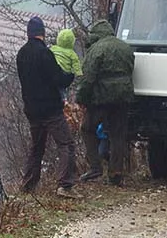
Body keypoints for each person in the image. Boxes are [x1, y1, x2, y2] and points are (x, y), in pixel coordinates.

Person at [16, 16, 82, 199]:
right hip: (50, 109)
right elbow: (58, 78)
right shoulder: (45, 54)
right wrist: (70, 76)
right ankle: (65, 185)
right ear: (42, 33)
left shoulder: (21, 54)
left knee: (36, 148)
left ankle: (28, 186)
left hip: (31, 110)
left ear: (28, 33)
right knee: (66, 144)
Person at [77, 20, 134, 186]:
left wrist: (81, 98)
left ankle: (95, 167)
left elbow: (88, 78)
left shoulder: (96, 49)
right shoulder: (125, 47)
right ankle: (116, 173)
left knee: (87, 129)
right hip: (123, 97)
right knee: (118, 135)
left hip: (101, 98)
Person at [50, 28, 83, 101]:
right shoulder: (72, 54)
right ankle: (64, 101)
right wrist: (79, 74)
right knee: (62, 91)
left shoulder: (53, 48)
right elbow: (76, 66)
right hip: (65, 74)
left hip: (54, 72)